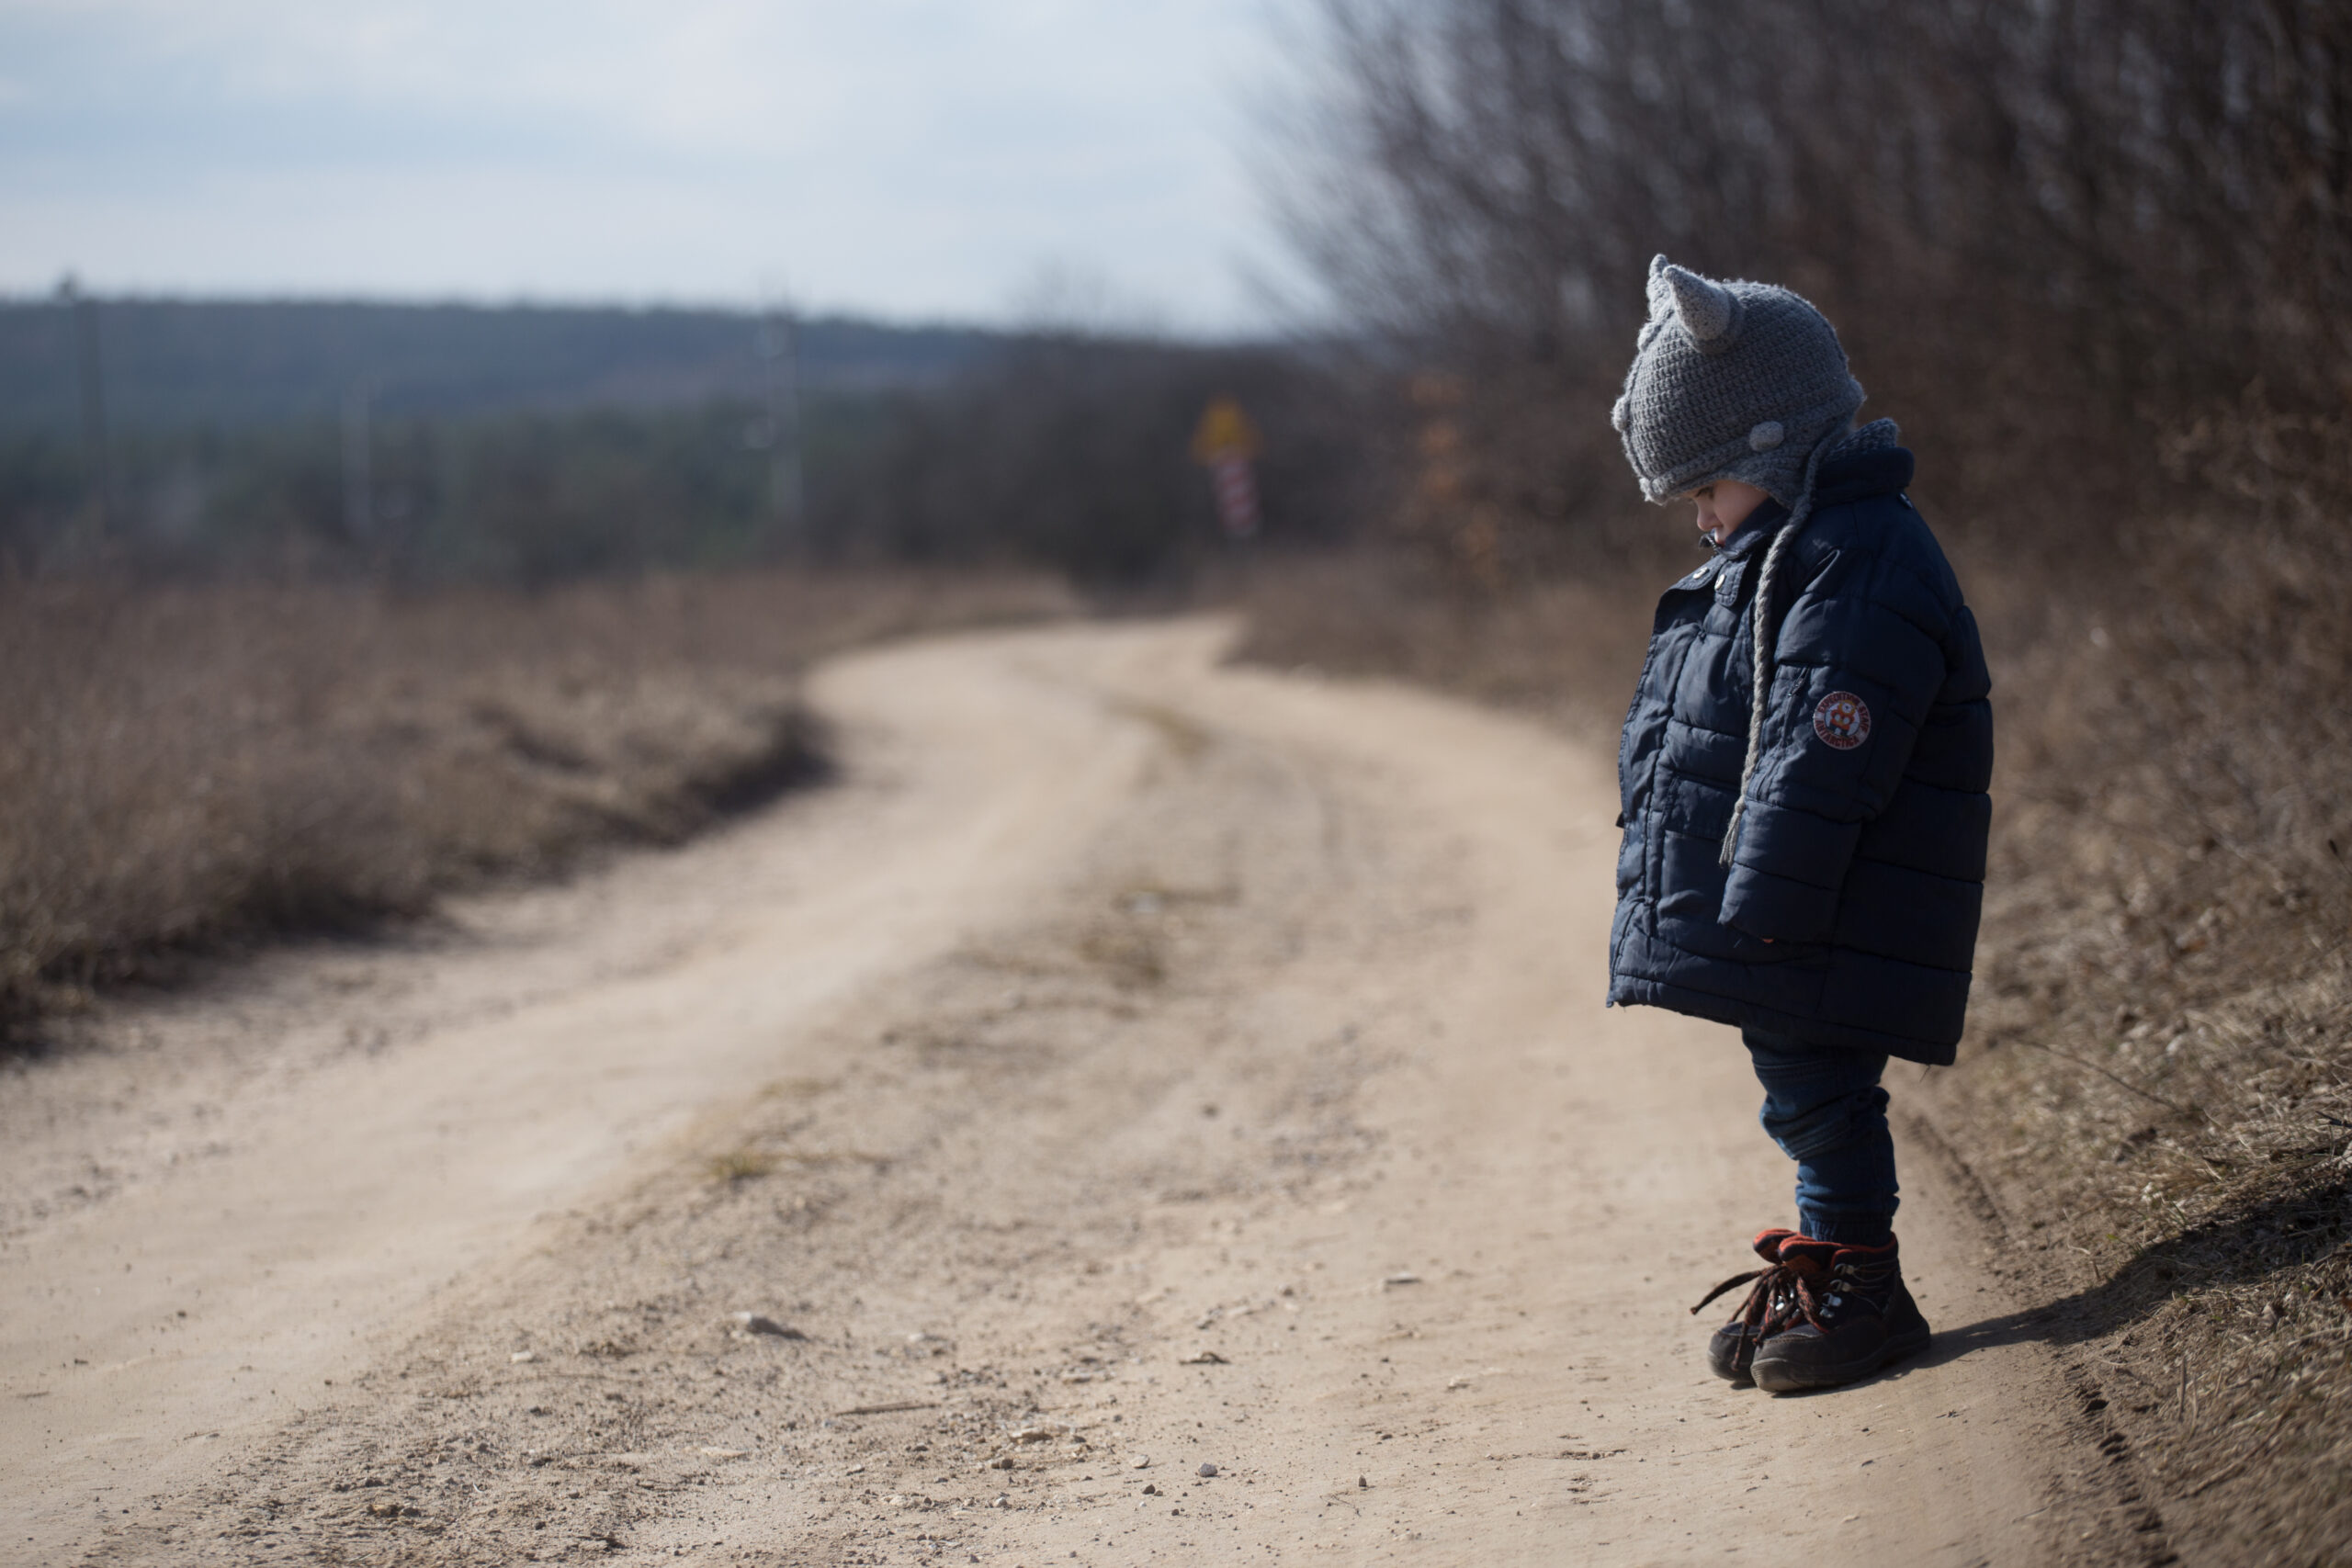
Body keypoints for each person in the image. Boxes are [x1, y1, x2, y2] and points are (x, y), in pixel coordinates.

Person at [1604, 255, 1995, 1393]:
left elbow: (1822, 758)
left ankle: (1860, 1282)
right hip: (1803, 904)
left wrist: (1768, 900)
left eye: (1708, 487)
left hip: (1823, 900)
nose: (1699, 516)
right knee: (1803, 1086)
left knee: (1817, 1093)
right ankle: (1835, 1263)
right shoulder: (1795, 547)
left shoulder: (1858, 561)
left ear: (1773, 448)